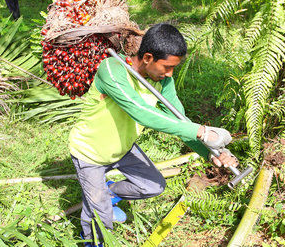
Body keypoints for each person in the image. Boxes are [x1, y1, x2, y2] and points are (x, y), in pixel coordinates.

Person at [68, 23, 238, 247]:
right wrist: (202, 131)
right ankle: (91, 240)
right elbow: (141, 112)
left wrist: (212, 153)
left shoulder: (163, 81)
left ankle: (107, 193)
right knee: (102, 221)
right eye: (167, 67)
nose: (170, 74)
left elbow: (179, 121)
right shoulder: (112, 70)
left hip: (122, 148)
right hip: (90, 153)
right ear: (147, 57)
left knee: (153, 186)